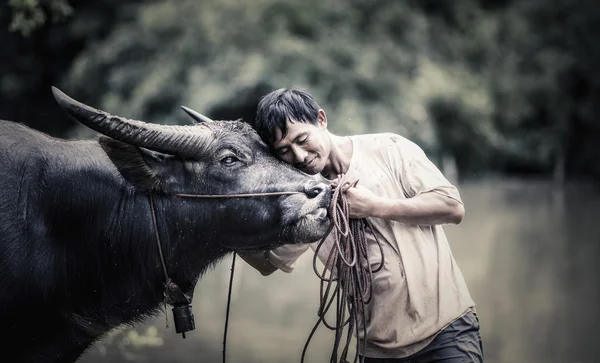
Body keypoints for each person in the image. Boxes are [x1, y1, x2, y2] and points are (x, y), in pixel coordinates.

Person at [239, 87, 483, 362]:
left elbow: (451, 207)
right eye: (284, 150)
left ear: (321, 119)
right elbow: (266, 261)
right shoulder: (303, 197)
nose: (298, 155)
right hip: (377, 351)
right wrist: (216, 227)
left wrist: (375, 206)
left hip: (447, 334)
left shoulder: (389, 149)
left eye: (302, 139)